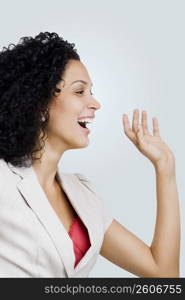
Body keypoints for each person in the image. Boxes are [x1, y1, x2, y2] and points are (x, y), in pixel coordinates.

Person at [0, 32, 180, 278]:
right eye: (79, 92)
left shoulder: (84, 194)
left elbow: (163, 274)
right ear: (41, 103)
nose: (95, 103)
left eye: (90, 91)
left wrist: (166, 167)